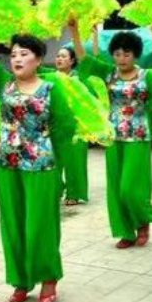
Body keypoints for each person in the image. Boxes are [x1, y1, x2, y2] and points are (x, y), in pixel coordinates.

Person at [0, 8, 70, 302]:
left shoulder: (52, 89)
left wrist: (61, 175)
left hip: (41, 164)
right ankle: (21, 279)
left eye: (24, 54)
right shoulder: (5, 85)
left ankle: (48, 278)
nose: (16, 58)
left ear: (38, 59)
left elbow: (64, 130)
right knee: (12, 223)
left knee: (40, 223)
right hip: (7, 162)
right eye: (13, 54)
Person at [78, 26, 152, 249]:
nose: (121, 58)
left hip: (138, 135)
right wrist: (76, 30)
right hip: (113, 136)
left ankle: (143, 221)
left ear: (135, 55)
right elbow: (84, 60)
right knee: (116, 187)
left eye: (126, 54)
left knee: (130, 187)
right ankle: (125, 231)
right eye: (117, 54)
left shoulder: (148, 76)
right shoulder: (108, 73)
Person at [54, 21, 90, 206]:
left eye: (63, 56)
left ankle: (74, 192)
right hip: (55, 126)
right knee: (54, 161)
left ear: (72, 61)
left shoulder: (79, 78)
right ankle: (56, 189)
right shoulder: (50, 78)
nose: (59, 59)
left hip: (76, 126)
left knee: (74, 161)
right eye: (58, 56)